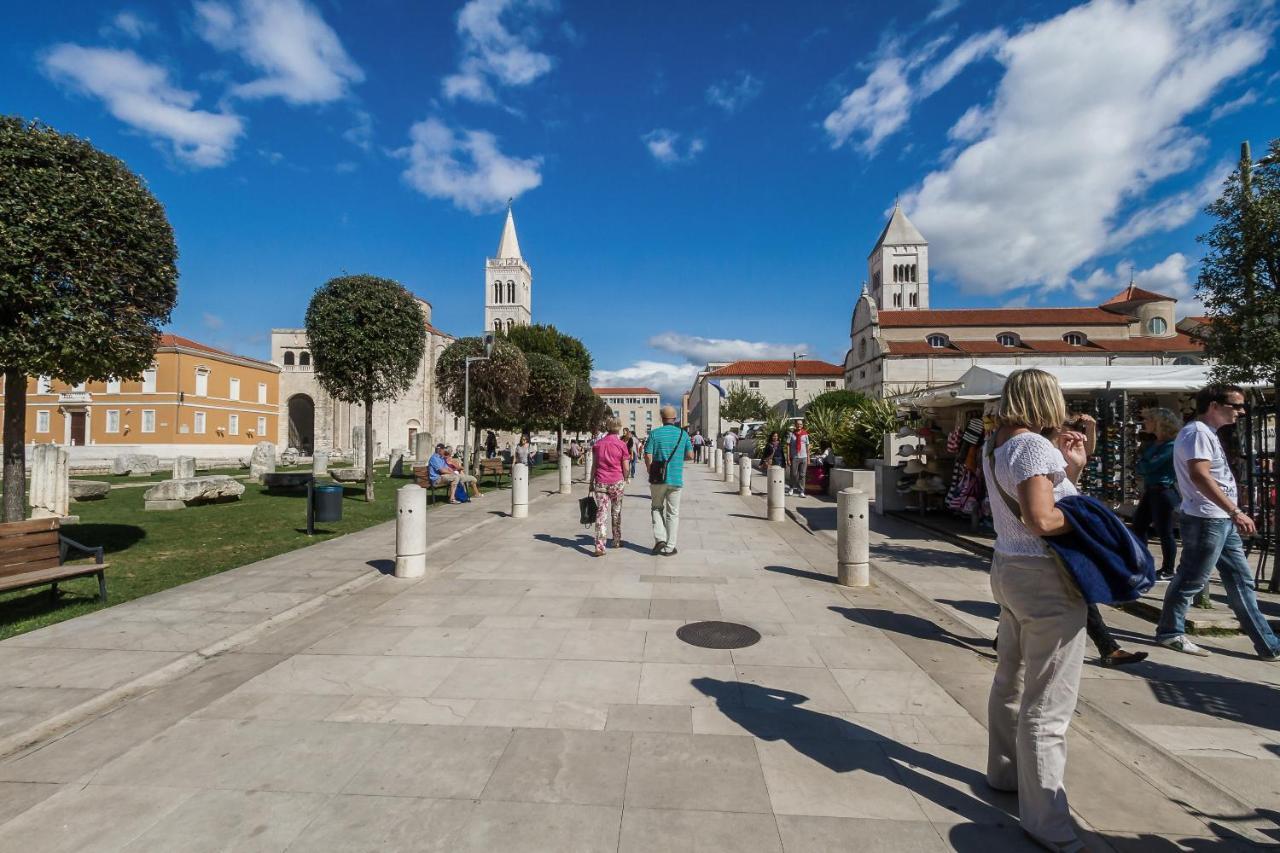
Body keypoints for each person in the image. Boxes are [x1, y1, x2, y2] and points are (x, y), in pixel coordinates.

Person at [983, 368, 1090, 850]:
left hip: (1008, 566)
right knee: (1048, 702)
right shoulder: (1033, 446)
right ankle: (1047, 821)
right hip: (1043, 577)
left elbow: (1032, 503)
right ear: (1046, 399)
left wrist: (1073, 471)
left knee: (1012, 677)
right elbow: (1042, 517)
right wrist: (1094, 520)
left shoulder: (997, 444)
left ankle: (1005, 773)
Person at [1156, 385, 1280, 660]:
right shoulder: (1198, 433)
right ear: (1213, 405)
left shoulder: (1205, 433)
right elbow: (1200, 476)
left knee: (1240, 581)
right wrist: (1235, 511)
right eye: (1235, 405)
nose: (1241, 411)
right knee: (1192, 578)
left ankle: (1268, 643)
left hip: (1217, 518)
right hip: (1207, 518)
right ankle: (1170, 632)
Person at [1133, 408, 1181, 581]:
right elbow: (1141, 466)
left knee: (1164, 531)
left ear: (1159, 423)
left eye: (1149, 420)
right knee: (1138, 526)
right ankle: (1142, 563)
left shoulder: (1171, 445)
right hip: (1152, 489)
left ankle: (1168, 568)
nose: (1146, 423)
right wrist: (1144, 464)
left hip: (1163, 490)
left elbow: (1148, 466)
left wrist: (1144, 464)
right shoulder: (1156, 444)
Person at [644, 405, 693, 556]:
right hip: (676, 478)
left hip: (658, 478)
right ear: (675, 418)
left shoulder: (654, 434)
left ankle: (660, 539)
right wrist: (679, 458)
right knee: (673, 513)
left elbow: (647, 454)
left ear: (661, 418)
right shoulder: (682, 434)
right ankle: (670, 547)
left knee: (656, 507)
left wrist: (650, 469)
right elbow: (691, 456)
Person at [589, 418, 630, 556]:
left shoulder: (598, 444)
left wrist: (590, 482)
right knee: (616, 511)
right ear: (619, 428)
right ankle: (616, 540)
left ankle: (600, 546)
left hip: (600, 482)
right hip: (617, 482)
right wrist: (626, 478)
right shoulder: (621, 445)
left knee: (601, 513)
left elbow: (594, 465)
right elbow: (625, 466)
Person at [789, 420, 810, 497]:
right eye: (797, 424)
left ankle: (801, 491)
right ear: (795, 425)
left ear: (802, 425)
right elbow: (788, 446)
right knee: (793, 474)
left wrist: (808, 458)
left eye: (800, 424)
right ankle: (791, 488)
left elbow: (807, 446)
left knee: (802, 475)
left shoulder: (805, 434)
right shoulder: (791, 434)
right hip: (794, 457)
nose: (799, 425)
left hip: (804, 457)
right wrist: (788, 458)